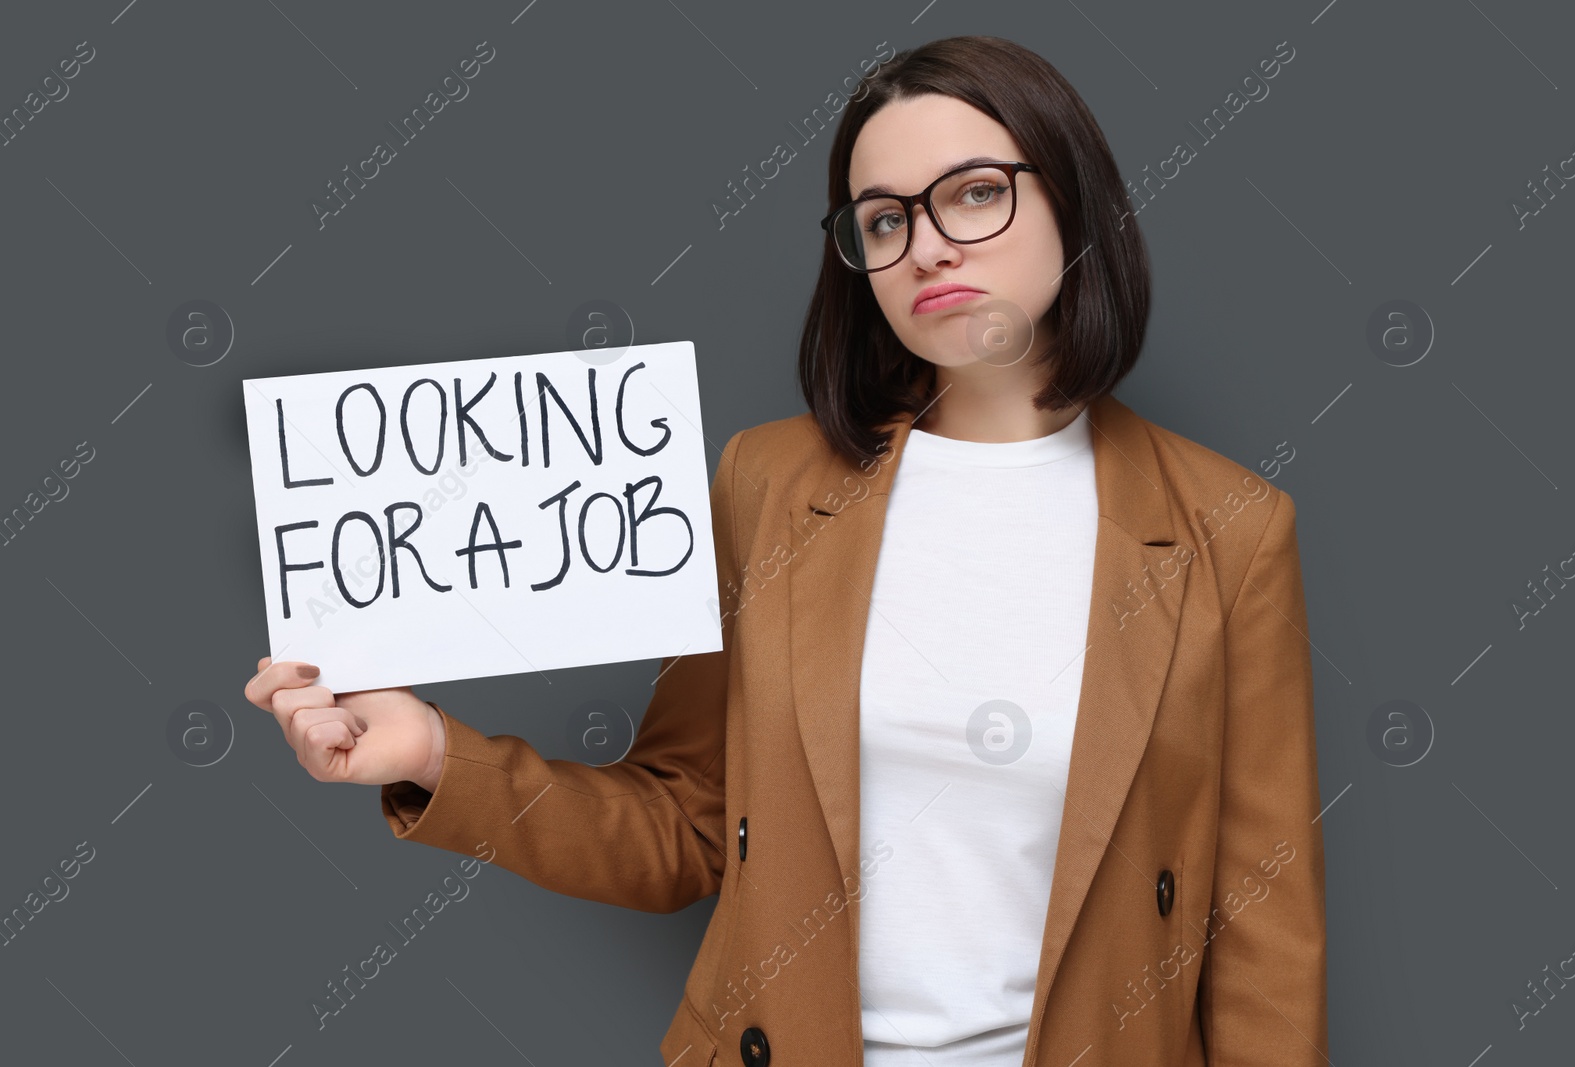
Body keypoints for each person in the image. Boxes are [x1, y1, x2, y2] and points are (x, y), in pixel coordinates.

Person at [245, 34, 1328, 1067]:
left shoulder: (1228, 528)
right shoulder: (766, 486)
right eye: (883, 218)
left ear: (1072, 202)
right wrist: (436, 753)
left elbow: (1264, 922)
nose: (931, 243)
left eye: (976, 191)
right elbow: (686, 826)